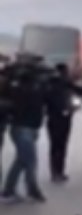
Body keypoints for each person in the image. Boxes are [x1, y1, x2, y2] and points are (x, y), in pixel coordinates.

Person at [1, 58, 48, 202]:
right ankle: (31, 190)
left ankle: (10, 190)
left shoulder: (22, 86)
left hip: (27, 126)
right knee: (29, 160)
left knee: (22, 160)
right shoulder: (26, 87)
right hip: (23, 127)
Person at [45, 62, 82, 183]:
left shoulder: (49, 83)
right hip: (63, 117)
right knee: (61, 145)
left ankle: (55, 172)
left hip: (53, 117)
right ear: (64, 71)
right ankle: (58, 172)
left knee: (55, 146)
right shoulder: (64, 82)